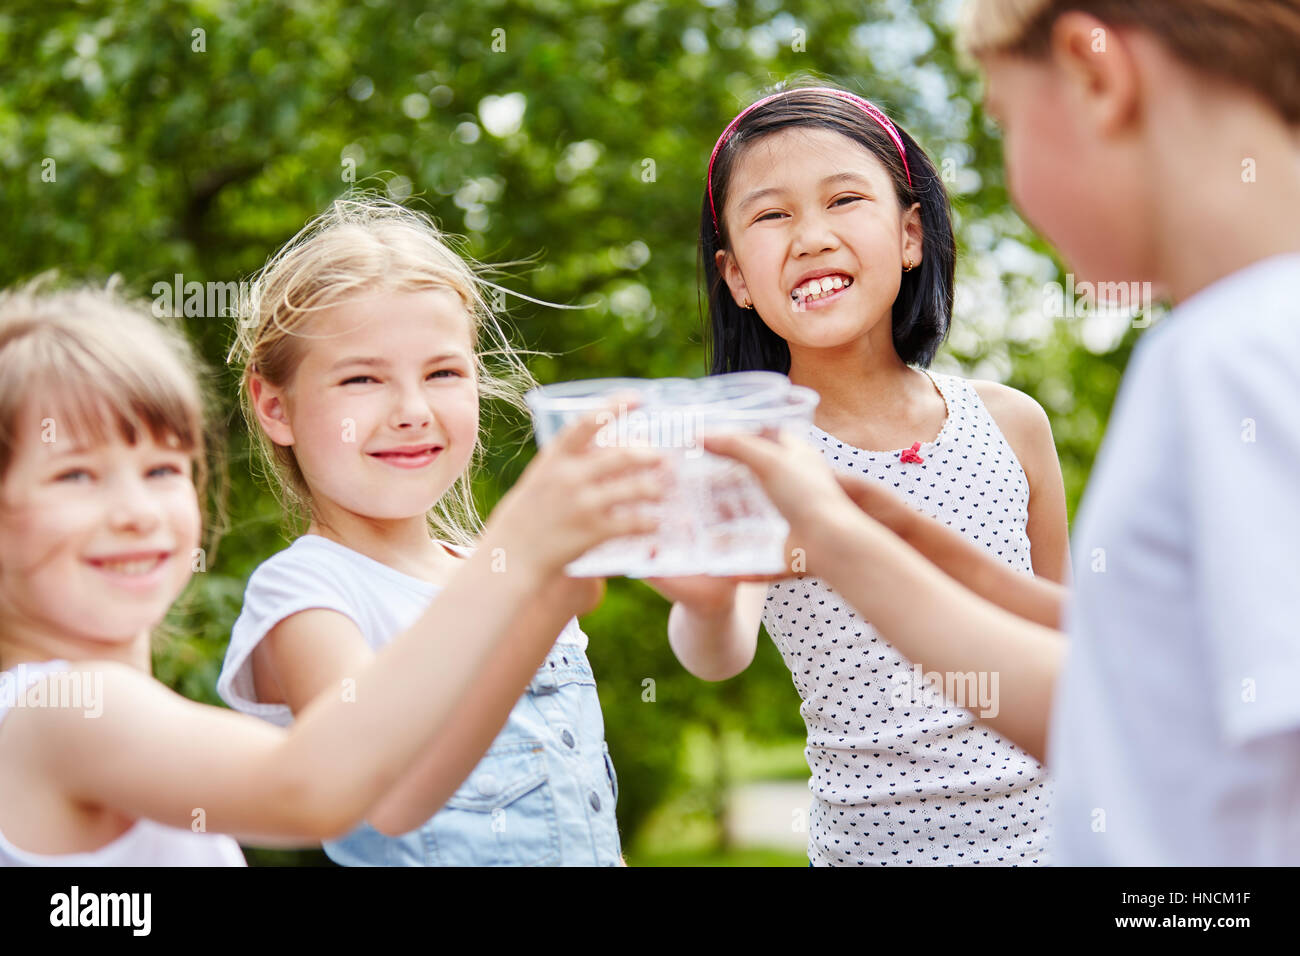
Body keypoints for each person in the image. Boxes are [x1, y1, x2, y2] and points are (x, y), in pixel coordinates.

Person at [704, 0, 1300, 865]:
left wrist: (838, 539)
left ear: (1095, 74)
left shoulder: (1234, 355)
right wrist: (908, 543)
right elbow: (1133, 683)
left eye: (1005, 120)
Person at [0, 279, 663, 865]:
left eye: (162, 470)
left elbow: (396, 797)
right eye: (75, 474)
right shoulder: (67, 711)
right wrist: (516, 552)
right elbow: (313, 789)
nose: (136, 512)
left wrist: (540, 595)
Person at [652, 85, 1071, 865]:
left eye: (844, 199)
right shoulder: (750, 453)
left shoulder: (1012, 423)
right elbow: (719, 651)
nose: (810, 237)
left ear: (911, 234)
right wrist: (705, 605)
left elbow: (1065, 635)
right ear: (737, 276)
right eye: (771, 215)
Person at [218, 198, 628, 865]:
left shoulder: (511, 574)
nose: (411, 411)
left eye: (442, 372)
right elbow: (391, 797)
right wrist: (530, 584)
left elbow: (585, 817)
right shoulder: (306, 592)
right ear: (274, 406)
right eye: (361, 378)